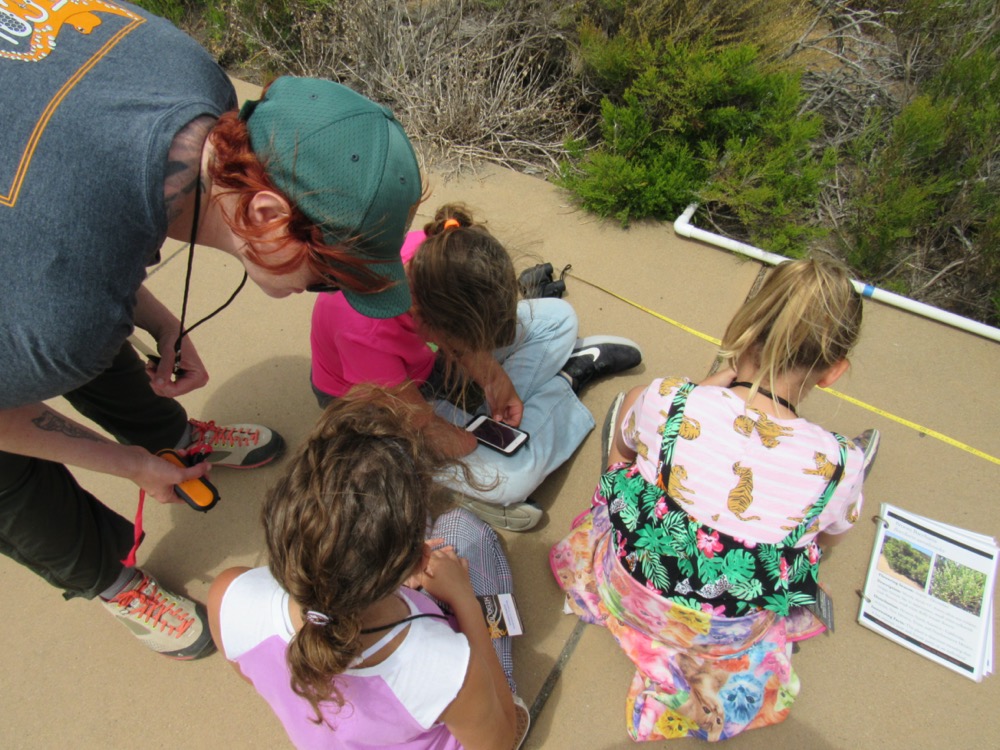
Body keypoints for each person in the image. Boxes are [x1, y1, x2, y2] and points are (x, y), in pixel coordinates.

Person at [1, 3, 421, 661]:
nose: (330, 293)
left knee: (79, 331)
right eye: (330, 278)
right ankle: (110, 579)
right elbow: (51, 286)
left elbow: (51, 236)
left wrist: (157, 318)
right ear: (264, 211)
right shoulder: (62, 305)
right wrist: (129, 467)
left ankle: (171, 438)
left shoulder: (192, 79)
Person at [550, 257, 880, 741]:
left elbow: (619, 459)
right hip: (724, 635)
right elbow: (826, 543)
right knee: (803, 543)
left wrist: (693, 400)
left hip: (627, 592)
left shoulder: (668, 398)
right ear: (832, 372)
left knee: (635, 433)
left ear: (743, 331)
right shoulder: (839, 465)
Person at [208, 389, 530, 750]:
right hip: (457, 697)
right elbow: (498, 743)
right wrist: (463, 599)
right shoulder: (445, 667)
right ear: (412, 563)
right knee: (462, 527)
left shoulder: (229, 594)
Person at [310, 202, 643, 531]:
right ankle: (565, 384)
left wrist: (492, 375)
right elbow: (427, 427)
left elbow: (458, 337)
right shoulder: (363, 328)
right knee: (513, 479)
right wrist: (476, 437)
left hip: (421, 365)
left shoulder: (438, 254)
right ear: (424, 319)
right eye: (465, 346)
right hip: (382, 409)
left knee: (559, 319)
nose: (471, 352)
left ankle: (514, 420)